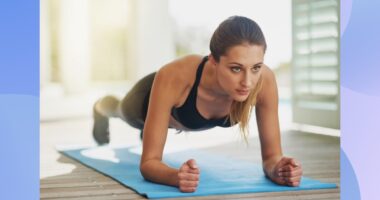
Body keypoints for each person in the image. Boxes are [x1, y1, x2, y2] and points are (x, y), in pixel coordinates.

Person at [92, 16, 303, 193]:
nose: (247, 82)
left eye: (256, 67)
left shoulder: (264, 81)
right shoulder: (176, 76)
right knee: (118, 109)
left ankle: (152, 132)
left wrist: (278, 169)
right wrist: (174, 177)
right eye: (236, 69)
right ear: (213, 60)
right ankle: (99, 108)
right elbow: (149, 163)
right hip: (145, 100)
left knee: (150, 132)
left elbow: (272, 157)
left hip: (173, 118)